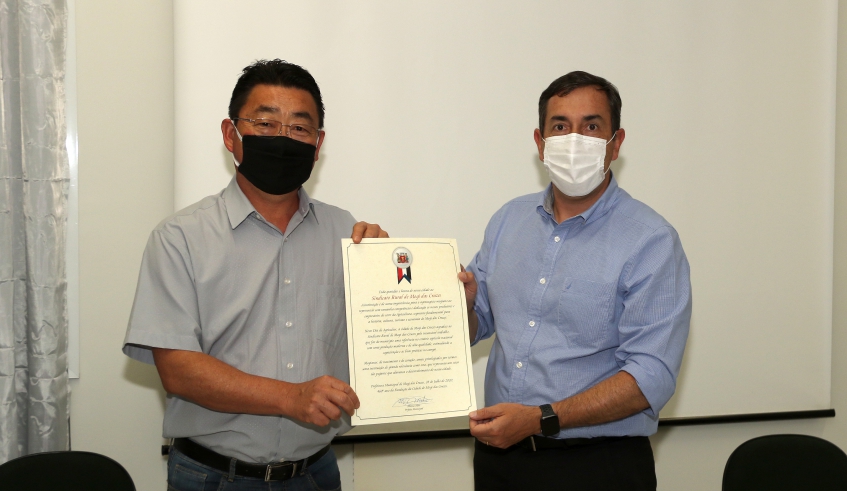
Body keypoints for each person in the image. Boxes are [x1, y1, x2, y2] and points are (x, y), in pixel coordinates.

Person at [122, 59, 386, 490]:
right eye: (265, 123)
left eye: (299, 128)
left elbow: (377, 340)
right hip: (214, 476)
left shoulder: (348, 234)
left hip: (316, 473)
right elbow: (178, 370)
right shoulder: (180, 238)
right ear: (231, 135)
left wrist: (404, 278)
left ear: (318, 144)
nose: (283, 138)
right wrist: (290, 396)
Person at [458, 71, 691, 490]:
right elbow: (478, 326)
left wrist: (541, 418)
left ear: (615, 143)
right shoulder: (508, 220)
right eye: (561, 126)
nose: (575, 138)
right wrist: (465, 307)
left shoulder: (651, 241)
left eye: (592, 126)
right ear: (540, 142)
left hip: (597, 466)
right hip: (501, 462)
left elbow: (649, 377)